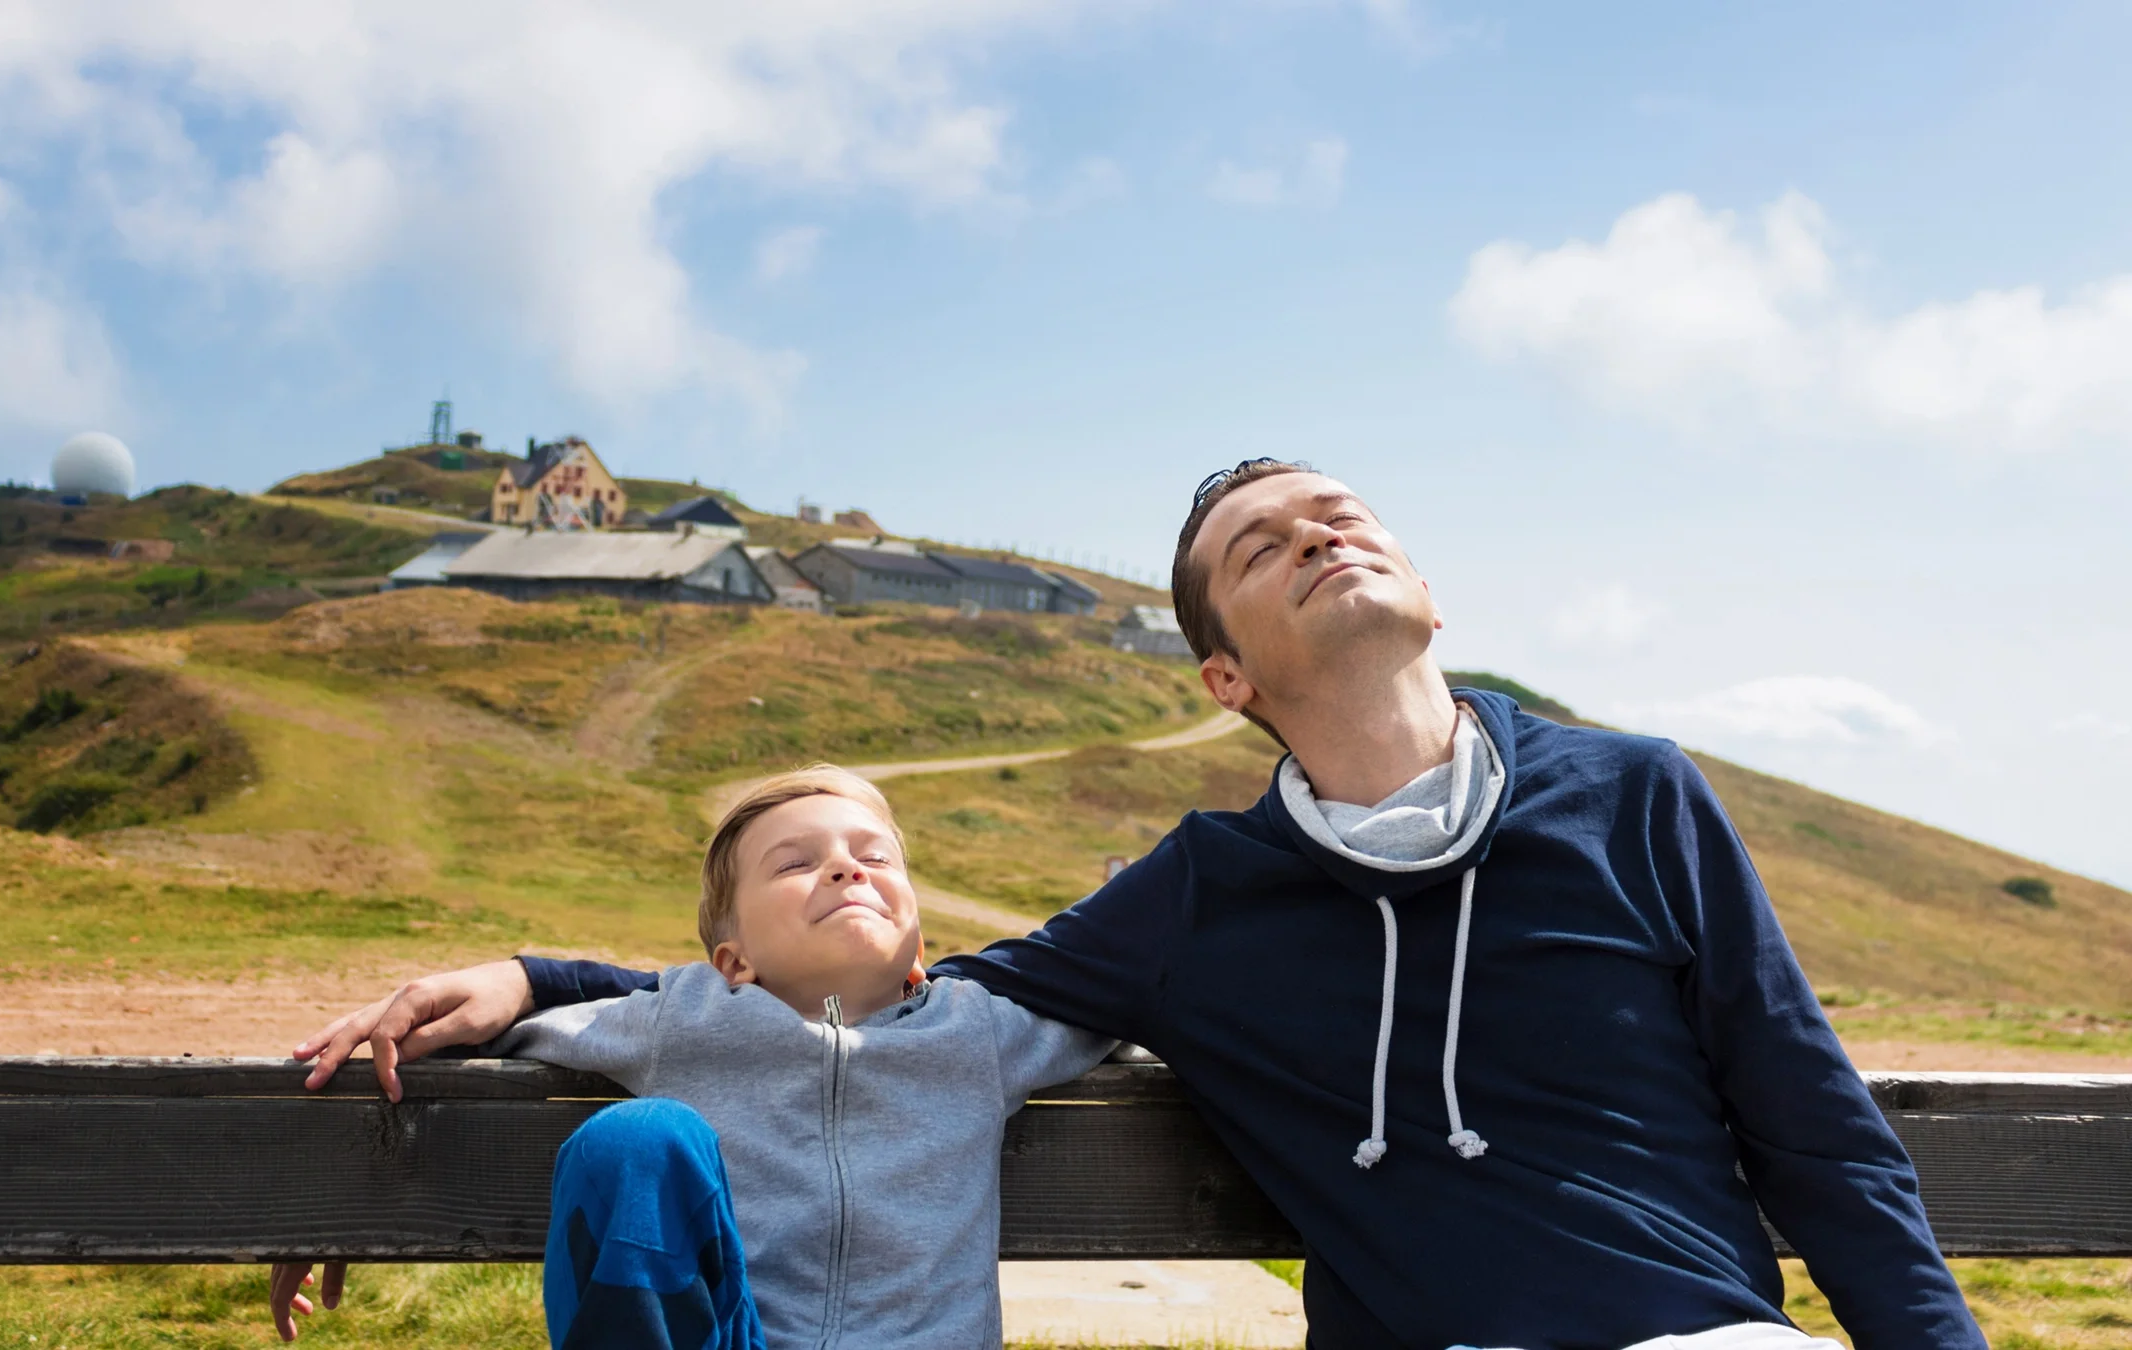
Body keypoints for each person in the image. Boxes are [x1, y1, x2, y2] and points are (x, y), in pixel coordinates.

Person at [296, 461, 1984, 1349]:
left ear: (1427, 583)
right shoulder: (1199, 896)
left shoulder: (1639, 795)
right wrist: (530, 977)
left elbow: (1822, 1137)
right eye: (1264, 545)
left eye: (1343, 511)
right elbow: (874, 993)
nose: (1321, 529)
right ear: (1225, 673)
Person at [273, 765, 1111, 1348]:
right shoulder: (685, 1017)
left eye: (874, 855)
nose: (845, 868)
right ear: (733, 959)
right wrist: (333, 1186)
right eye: (796, 862)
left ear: (920, 945)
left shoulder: (983, 1029)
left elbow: (1142, 994)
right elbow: (444, 1037)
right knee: (636, 1141)